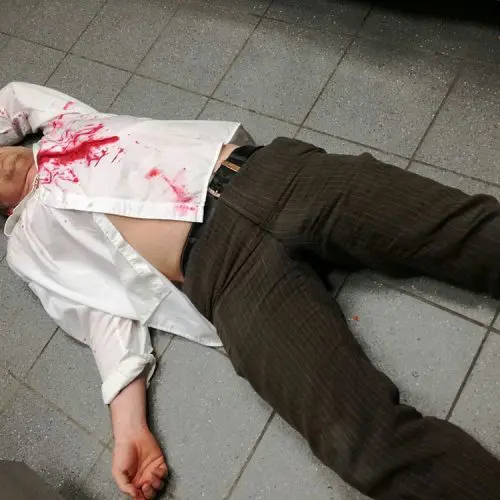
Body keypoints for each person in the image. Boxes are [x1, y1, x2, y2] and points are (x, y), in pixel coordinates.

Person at [1, 81, 500, 500]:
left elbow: (15, 99)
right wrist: (128, 426)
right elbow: (102, 316)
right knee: (360, 442)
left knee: (473, 233)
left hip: (270, 177)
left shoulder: (64, 125)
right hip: (226, 273)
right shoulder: (28, 244)